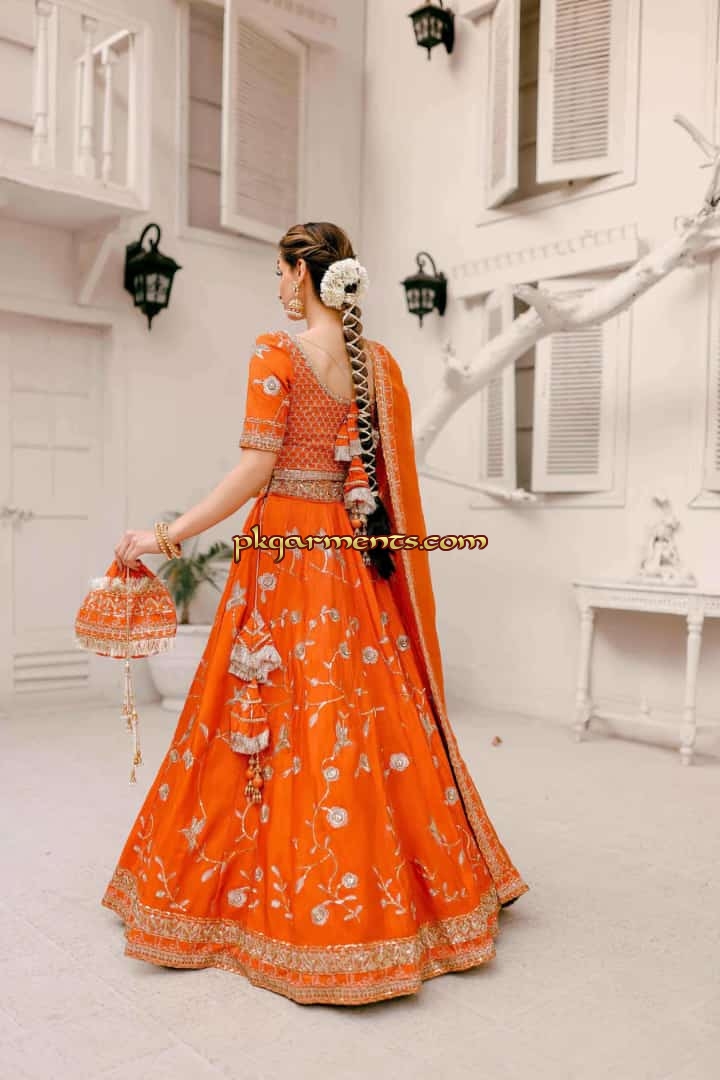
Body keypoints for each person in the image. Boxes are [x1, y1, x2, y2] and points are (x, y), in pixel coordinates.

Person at [103, 221, 529, 1006]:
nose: (276, 286)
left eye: (279, 271)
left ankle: (266, 894)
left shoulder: (278, 352)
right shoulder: (378, 363)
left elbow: (255, 470)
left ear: (302, 274)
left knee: (266, 710)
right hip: (348, 556)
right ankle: (405, 886)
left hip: (284, 556)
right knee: (358, 711)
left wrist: (166, 535)